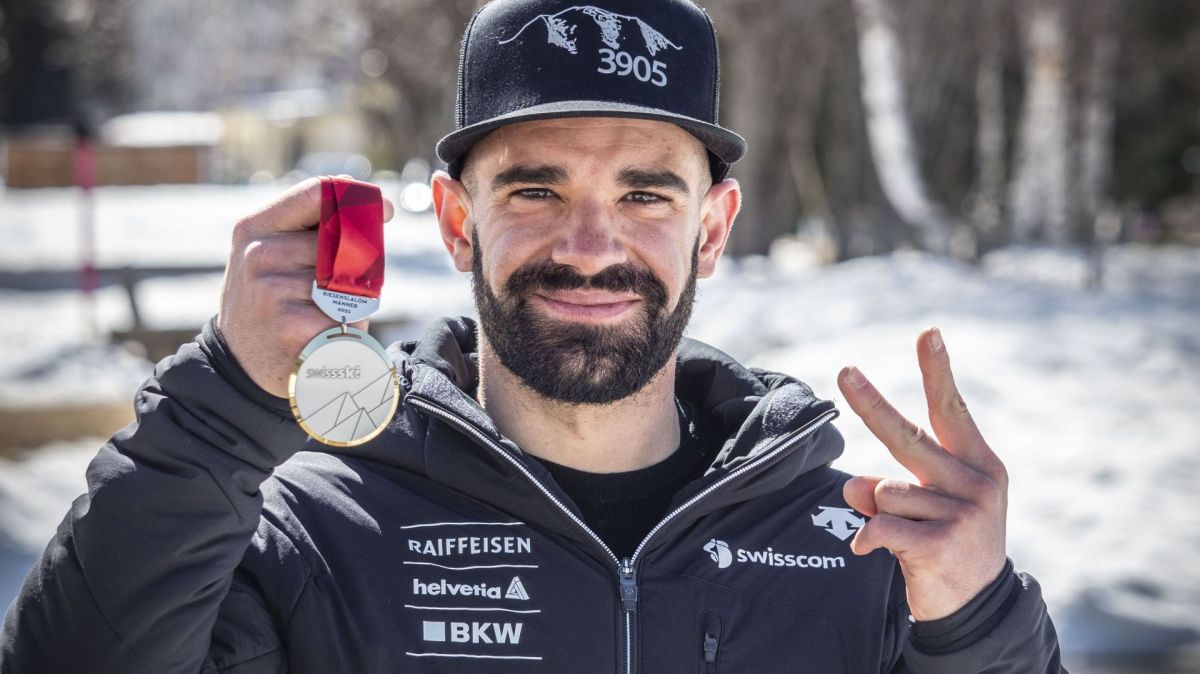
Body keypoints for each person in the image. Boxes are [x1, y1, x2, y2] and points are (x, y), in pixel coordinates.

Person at [0, 0, 1063, 671]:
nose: (590, 246)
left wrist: (977, 625)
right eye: (537, 189)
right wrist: (217, 411)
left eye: (645, 193)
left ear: (711, 229)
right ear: (458, 221)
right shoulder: (311, 531)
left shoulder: (860, 550)